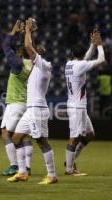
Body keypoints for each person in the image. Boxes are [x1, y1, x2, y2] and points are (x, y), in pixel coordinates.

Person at [8, 18, 57, 184]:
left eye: (37, 51)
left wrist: (28, 30)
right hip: (30, 110)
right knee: (16, 138)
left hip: (37, 109)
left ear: (40, 54)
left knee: (42, 142)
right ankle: (22, 172)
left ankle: (52, 175)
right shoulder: (37, 66)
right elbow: (30, 47)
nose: (34, 51)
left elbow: (29, 47)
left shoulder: (44, 65)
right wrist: (30, 33)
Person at [64, 29, 105, 175]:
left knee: (90, 134)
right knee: (74, 138)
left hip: (77, 105)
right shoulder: (80, 65)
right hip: (77, 107)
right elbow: (101, 60)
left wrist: (92, 46)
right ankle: (69, 169)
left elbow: (85, 58)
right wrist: (99, 45)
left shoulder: (70, 64)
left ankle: (70, 159)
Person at [1, 20, 33, 176]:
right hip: (24, 102)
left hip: (15, 103)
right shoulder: (33, 64)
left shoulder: (17, 64)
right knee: (24, 134)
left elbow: (6, 48)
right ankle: (27, 166)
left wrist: (12, 33)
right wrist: (25, 33)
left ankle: (15, 165)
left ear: (20, 52)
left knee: (8, 133)